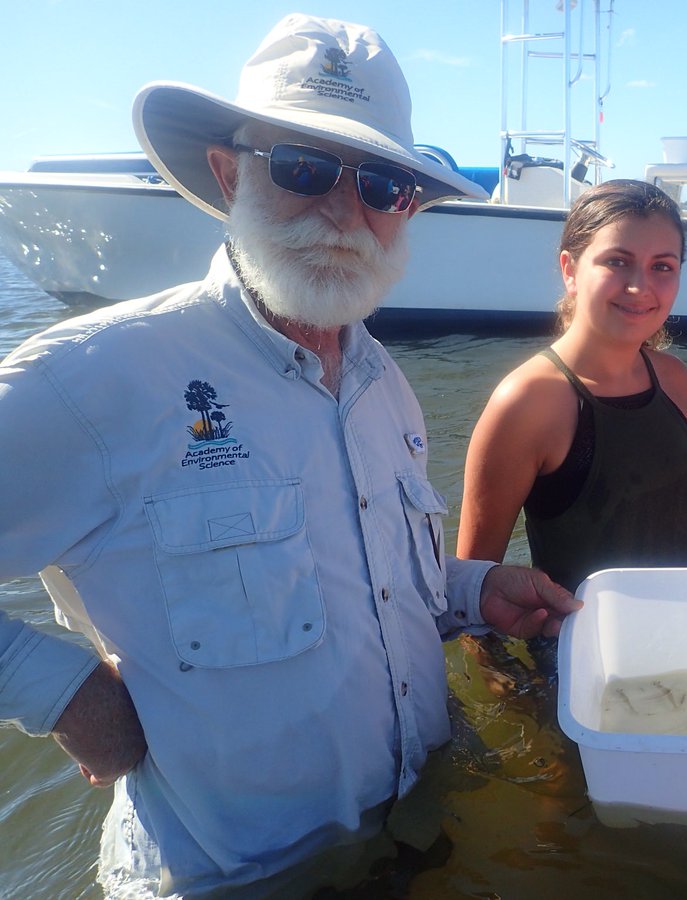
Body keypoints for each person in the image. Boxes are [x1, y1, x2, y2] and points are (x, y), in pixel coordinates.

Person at [0, 15, 578, 897]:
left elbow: (380, 582)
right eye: (304, 169)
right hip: (233, 879)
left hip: (417, 832)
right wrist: (63, 692)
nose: (346, 211)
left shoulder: (384, 382)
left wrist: (472, 591)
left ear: (407, 208)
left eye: (382, 184)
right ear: (230, 174)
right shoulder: (91, 380)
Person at [457, 179, 687, 596]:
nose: (639, 286)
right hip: (576, 653)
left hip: (681, 637)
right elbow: (472, 584)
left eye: (662, 266)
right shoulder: (527, 400)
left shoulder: (673, 377)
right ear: (570, 270)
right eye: (617, 261)